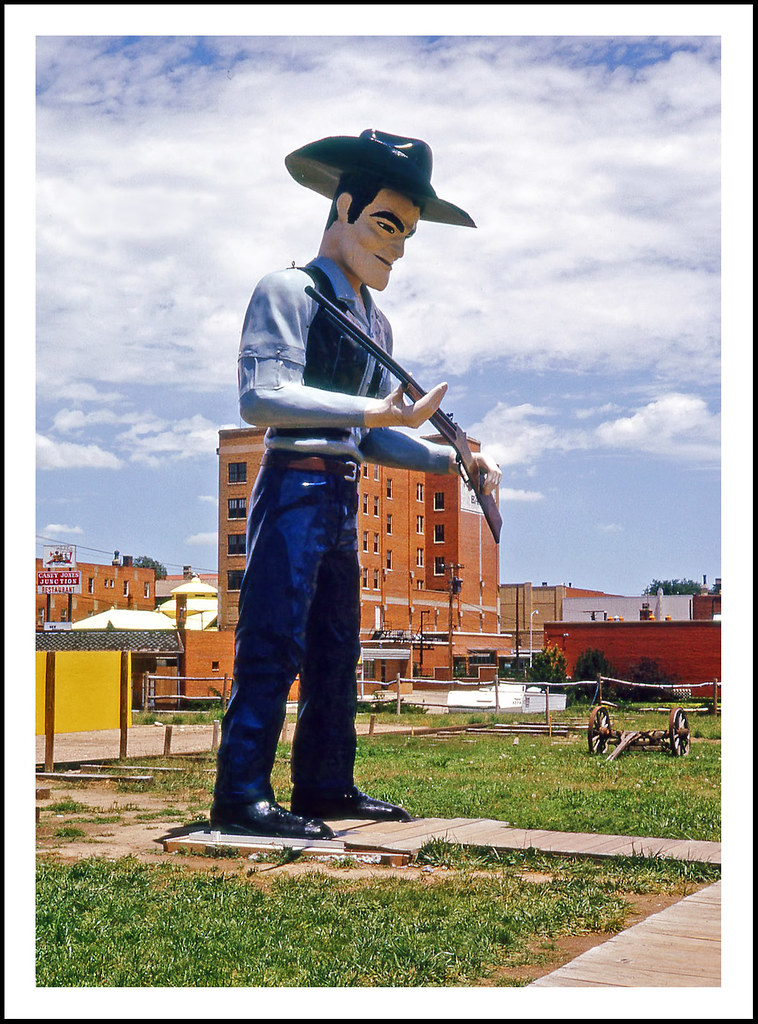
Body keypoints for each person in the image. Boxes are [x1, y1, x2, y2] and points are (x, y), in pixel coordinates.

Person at [211, 129, 501, 839]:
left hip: (341, 494)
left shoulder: (376, 323)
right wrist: (375, 412)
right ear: (344, 207)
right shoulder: (289, 292)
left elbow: (370, 436)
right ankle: (240, 793)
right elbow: (261, 397)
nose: (397, 248)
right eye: (386, 224)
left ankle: (325, 783)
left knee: (338, 647)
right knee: (272, 638)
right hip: (293, 485)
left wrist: (453, 461)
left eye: (407, 234)